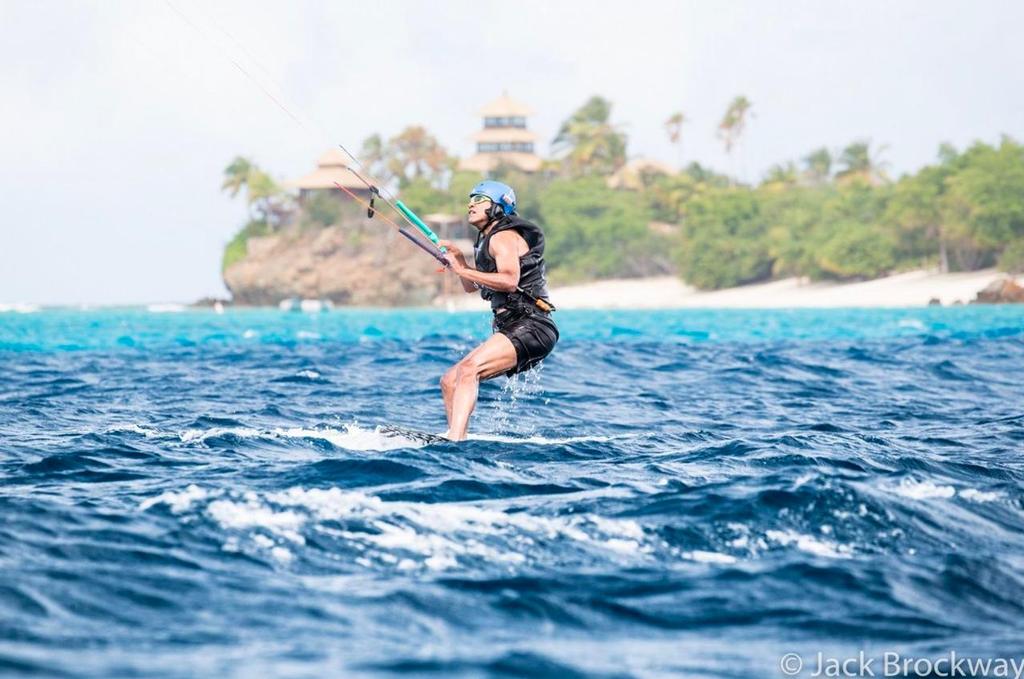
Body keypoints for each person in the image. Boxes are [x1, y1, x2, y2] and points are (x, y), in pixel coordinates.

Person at [437, 180, 558, 441]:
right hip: (516, 326)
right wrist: (459, 260)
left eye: (479, 199)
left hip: (533, 325)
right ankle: (456, 439)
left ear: (498, 206)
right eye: (470, 198)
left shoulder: (504, 237)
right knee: (450, 381)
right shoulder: (486, 241)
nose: (471, 203)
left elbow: (509, 281)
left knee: (469, 369)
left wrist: (462, 269)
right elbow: (471, 286)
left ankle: (456, 437)